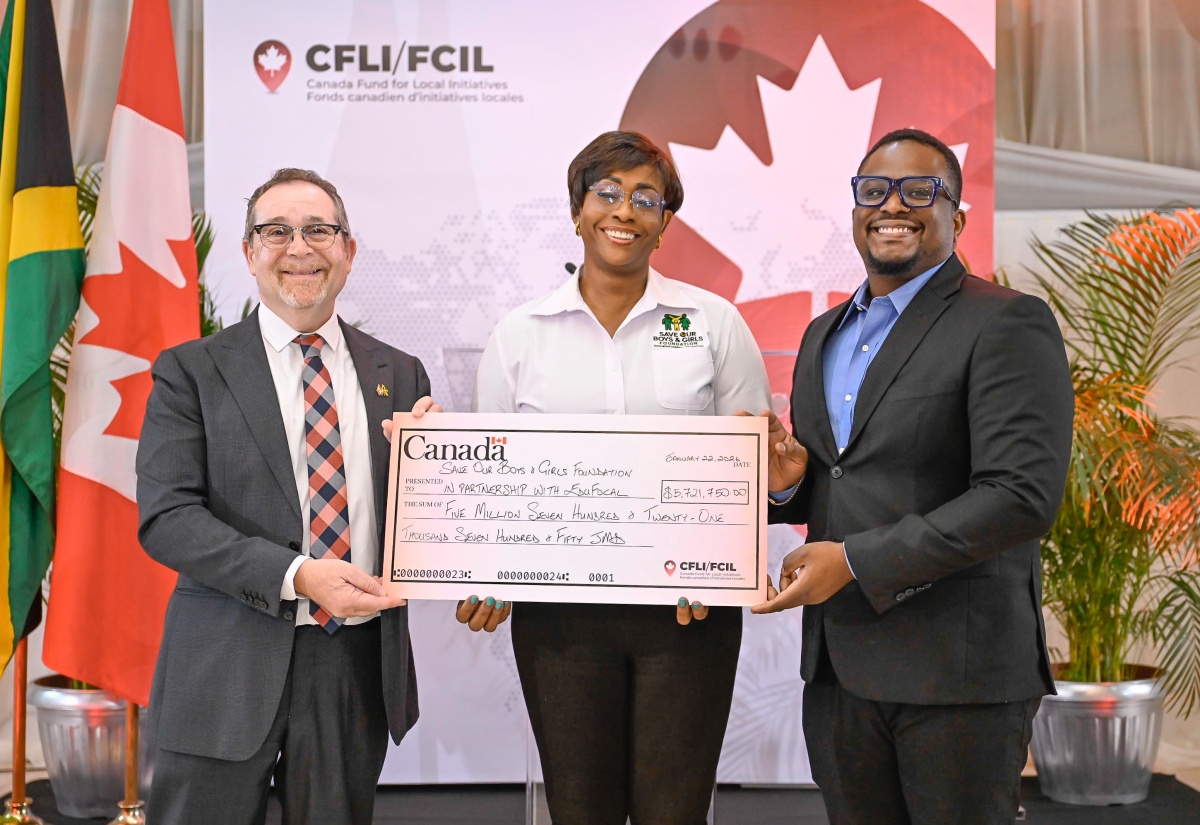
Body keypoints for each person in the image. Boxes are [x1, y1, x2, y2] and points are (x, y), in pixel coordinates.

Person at [752, 128, 1075, 824]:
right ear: (855, 211)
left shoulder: (1007, 321)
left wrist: (857, 560)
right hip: (839, 670)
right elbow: (840, 480)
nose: (892, 204)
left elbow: (1020, 496)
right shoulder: (822, 334)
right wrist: (790, 484)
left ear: (957, 217)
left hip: (958, 676)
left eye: (919, 190)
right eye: (874, 191)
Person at [465, 130, 771, 823]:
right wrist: (486, 571)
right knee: (580, 809)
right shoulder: (520, 334)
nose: (624, 211)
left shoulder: (713, 323)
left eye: (645, 199)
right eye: (607, 194)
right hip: (558, 620)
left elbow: (749, 467)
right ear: (577, 212)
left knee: (675, 811)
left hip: (688, 614)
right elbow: (491, 480)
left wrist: (721, 569)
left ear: (664, 224)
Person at [137, 168, 435, 823]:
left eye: (319, 230)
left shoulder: (401, 373)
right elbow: (168, 518)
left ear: (348, 251)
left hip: (350, 666)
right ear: (249, 252)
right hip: (223, 662)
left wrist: (446, 469)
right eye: (277, 231)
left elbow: (423, 517)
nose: (299, 248)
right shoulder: (191, 371)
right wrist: (298, 575)